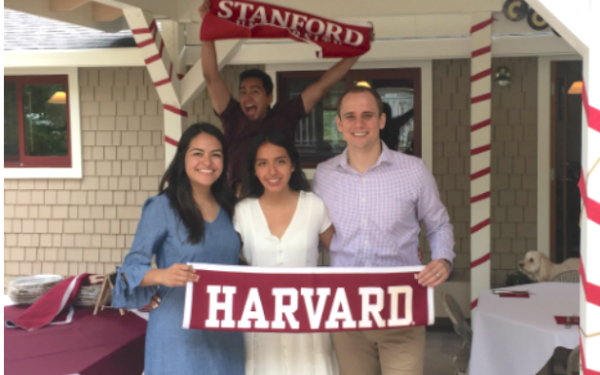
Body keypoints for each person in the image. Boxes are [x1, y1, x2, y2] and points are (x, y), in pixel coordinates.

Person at [313, 86, 455, 375]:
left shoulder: (413, 170)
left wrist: (443, 259)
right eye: (350, 116)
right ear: (338, 124)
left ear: (381, 120)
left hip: (400, 309)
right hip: (347, 313)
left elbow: (439, 224)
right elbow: (312, 234)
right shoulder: (323, 176)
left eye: (367, 115)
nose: (359, 124)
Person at [111, 123, 244, 375]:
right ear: (182, 157)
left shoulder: (231, 208)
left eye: (216, 154)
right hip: (178, 335)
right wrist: (162, 276)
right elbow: (128, 271)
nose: (207, 161)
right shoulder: (162, 207)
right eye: (198, 153)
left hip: (226, 334)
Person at [199, 0, 366, 192]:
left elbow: (322, 86)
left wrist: (356, 54)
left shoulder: (285, 115)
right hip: (239, 201)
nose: (247, 98)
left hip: (280, 199)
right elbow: (211, 77)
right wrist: (207, 30)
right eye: (243, 92)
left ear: (269, 97)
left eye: (255, 92)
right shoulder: (232, 116)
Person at [234, 130, 338, 375]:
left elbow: (345, 254)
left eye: (280, 161)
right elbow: (220, 261)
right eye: (263, 163)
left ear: (292, 165)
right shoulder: (242, 212)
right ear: (255, 170)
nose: (272, 171)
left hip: (308, 322)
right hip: (260, 323)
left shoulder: (314, 205)